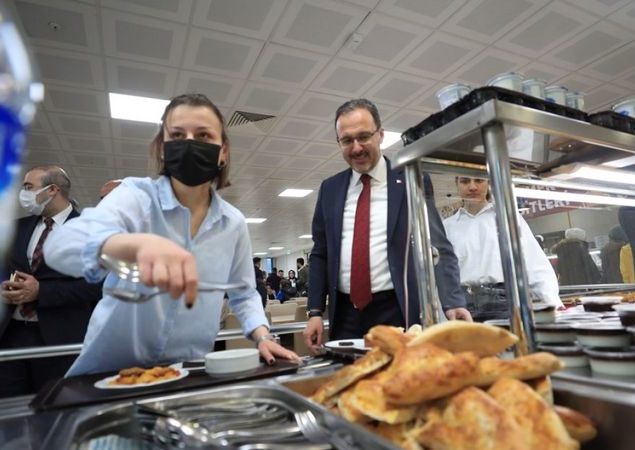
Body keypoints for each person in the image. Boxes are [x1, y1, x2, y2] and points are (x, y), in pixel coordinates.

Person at [44, 93, 299, 376]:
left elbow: (243, 293)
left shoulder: (233, 222)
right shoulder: (136, 197)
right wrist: (126, 245)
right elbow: (60, 245)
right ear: (162, 148)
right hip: (111, 374)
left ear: (223, 150)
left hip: (186, 372)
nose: (190, 143)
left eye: (203, 135)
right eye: (177, 135)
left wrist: (262, 335)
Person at [303, 98, 470, 353]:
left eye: (363, 137)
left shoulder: (410, 179)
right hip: (345, 315)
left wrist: (453, 301)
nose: (356, 147)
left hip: (396, 309)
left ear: (380, 134)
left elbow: (438, 245)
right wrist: (314, 311)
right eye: (347, 140)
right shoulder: (330, 189)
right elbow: (320, 253)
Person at [0, 166, 102, 397]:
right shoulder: (17, 227)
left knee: (52, 407)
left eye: (28, 187)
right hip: (10, 334)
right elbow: (1, 270)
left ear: (52, 190)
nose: (23, 193)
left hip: (59, 338)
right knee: (5, 406)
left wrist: (42, 291)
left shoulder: (89, 231)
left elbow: (97, 285)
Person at [442, 177, 562, 322]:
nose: (472, 187)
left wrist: (552, 303)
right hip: (462, 306)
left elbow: (535, 263)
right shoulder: (447, 227)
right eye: (465, 181)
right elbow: (442, 274)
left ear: (488, 183)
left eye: (479, 181)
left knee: (511, 345)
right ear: (457, 184)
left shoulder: (508, 218)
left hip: (504, 303)